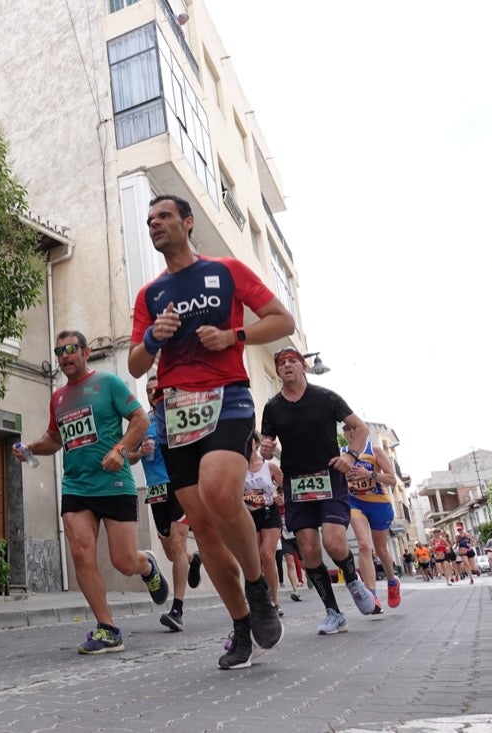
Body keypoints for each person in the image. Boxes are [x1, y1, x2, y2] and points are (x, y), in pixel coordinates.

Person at [128, 194, 295, 670]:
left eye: (162, 216)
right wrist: (151, 339)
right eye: (149, 220)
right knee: (203, 525)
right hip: (175, 412)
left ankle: (259, 586)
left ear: (187, 221)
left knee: (222, 494)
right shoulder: (150, 295)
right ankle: (242, 624)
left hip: (228, 398)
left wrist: (233, 337)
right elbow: (136, 365)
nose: (153, 223)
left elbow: (283, 320)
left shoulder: (226, 270)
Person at [15, 330, 168, 654]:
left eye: (71, 349)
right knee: (81, 551)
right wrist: (30, 446)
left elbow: (140, 420)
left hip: (113, 483)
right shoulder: (58, 398)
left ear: (85, 352)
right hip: (76, 484)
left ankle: (147, 566)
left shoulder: (109, 383)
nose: (64, 356)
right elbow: (55, 440)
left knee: (124, 562)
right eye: (59, 351)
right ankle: (108, 628)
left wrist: (121, 450)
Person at [260, 347, 378, 636]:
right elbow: (267, 443)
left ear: (303, 367)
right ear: (278, 372)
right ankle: (333, 613)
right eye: (281, 364)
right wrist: (265, 449)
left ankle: (353, 580)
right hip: (295, 482)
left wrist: (350, 456)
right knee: (309, 549)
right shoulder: (272, 407)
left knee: (335, 542)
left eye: (292, 361)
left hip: (329, 476)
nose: (287, 366)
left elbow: (359, 428)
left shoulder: (326, 397)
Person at [133, 374, 205, 632]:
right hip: (156, 490)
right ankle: (193, 559)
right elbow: (126, 455)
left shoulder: (180, 414)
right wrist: (140, 452)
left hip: (181, 486)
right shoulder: (142, 423)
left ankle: (177, 610)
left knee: (176, 543)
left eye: (157, 389)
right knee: (171, 552)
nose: (154, 394)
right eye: (149, 390)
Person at [341, 424, 402, 610]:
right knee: (364, 545)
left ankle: (392, 581)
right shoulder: (342, 454)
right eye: (346, 430)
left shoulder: (373, 450)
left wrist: (371, 474)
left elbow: (392, 479)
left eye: (353, 429)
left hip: (379, 503)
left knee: (381, 549)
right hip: (355, 503)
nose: (350, 433)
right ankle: (372, 597)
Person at [243, 432, 285, 616]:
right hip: (249, 515)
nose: (246, 443)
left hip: (269, 513)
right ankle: (261, 600)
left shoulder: (270, 467)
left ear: (257, 442)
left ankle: (275, 601)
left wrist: (282, 497)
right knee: (255, 561)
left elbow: (286, 486)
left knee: (268, 555)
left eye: (249, 440)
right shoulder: (239, 467)